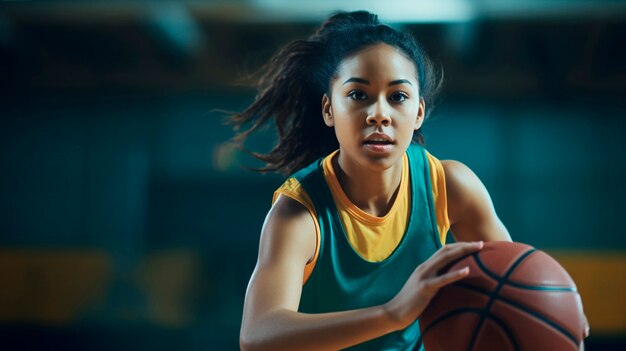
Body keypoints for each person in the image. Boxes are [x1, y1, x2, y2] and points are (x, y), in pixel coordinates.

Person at [231, 10, 513, 351]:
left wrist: (559, 314)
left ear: (419, 112)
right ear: (329, 109)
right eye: (358, 95)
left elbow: (515, 287)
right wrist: (393, 313)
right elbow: (257, 335)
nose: (379, 114)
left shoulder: (450, 186)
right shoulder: (299, 213)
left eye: (397, 97)